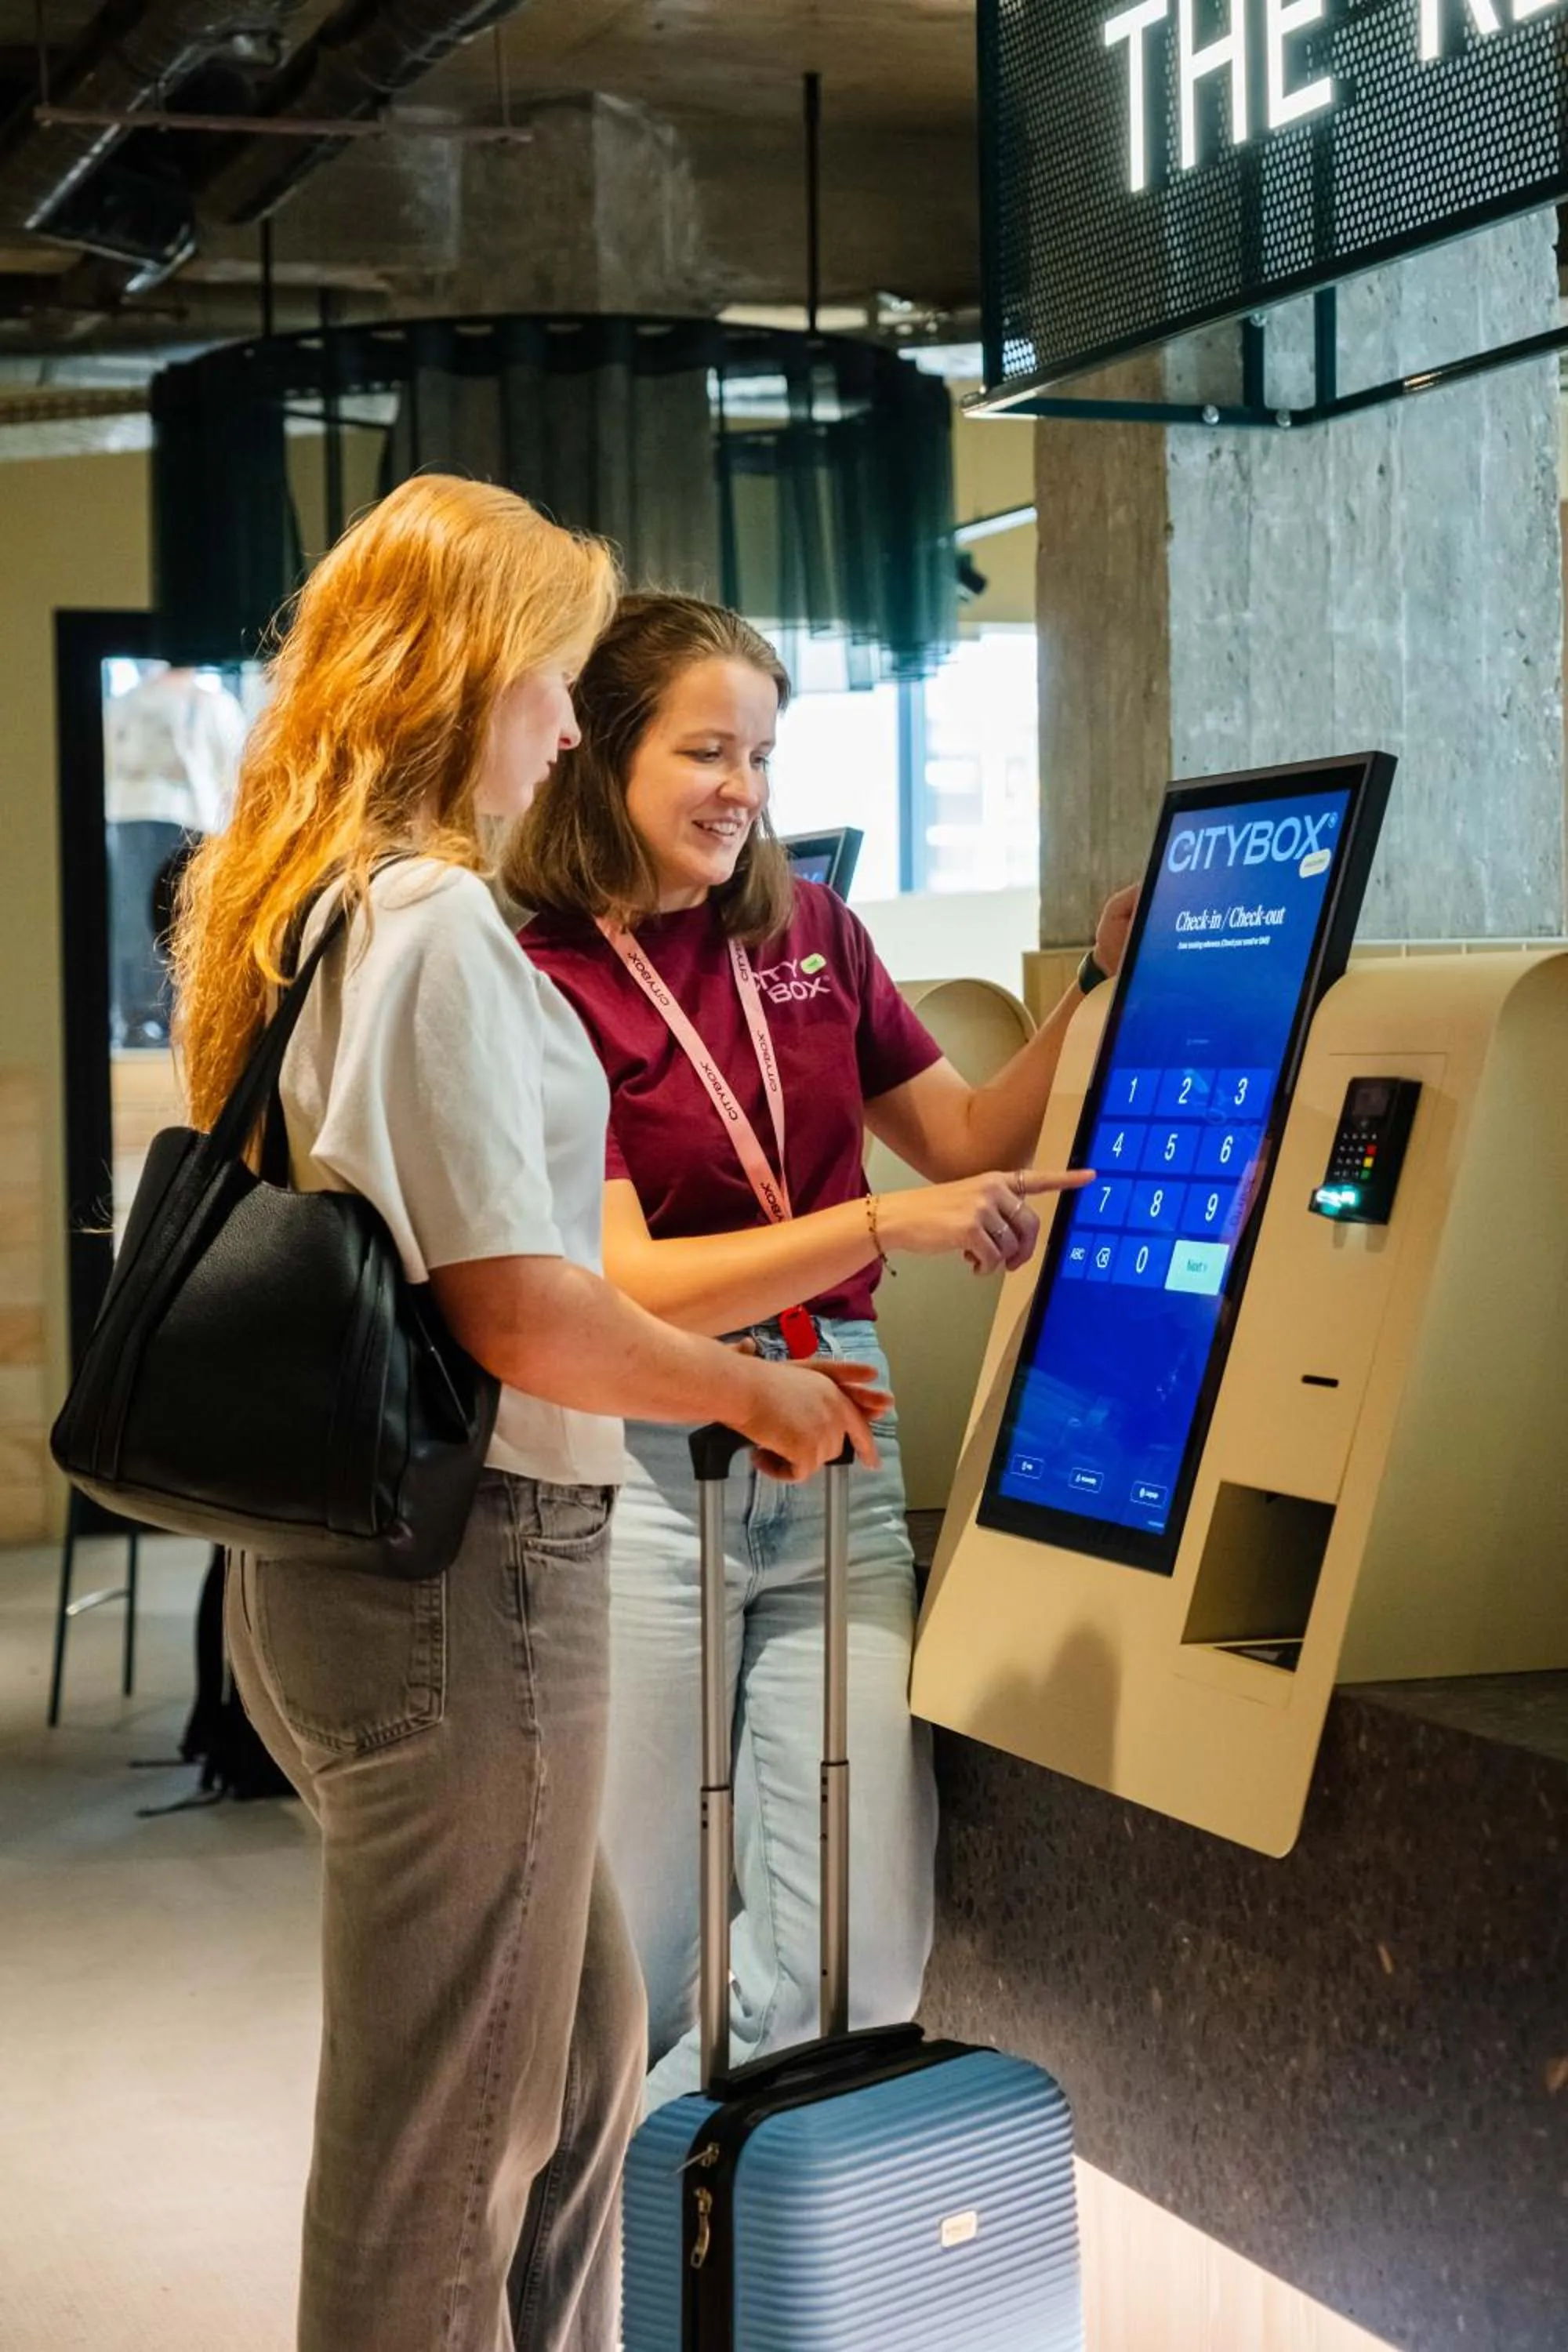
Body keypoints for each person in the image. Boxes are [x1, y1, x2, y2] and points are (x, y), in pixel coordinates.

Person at [172, 489, 885, 2352]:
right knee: (447, 2145)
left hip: (347, 1574)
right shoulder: (438, 931)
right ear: (464, 678)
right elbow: (521, 1304)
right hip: (467, 1583)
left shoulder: (305, 907)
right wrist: (756, 1386)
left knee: (567, 2072)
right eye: (558, 682)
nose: (568, 730)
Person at [510, 593, 1134, 2108]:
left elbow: (972, 1134)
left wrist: (1101, 987)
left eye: (763, 755)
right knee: (631, 1939)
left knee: (860, 1936)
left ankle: (746, 2254)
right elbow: (630, 1284)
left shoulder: (812, 934)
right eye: (706, 749)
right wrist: (880, 1231)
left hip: (844, 1445)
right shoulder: (542, 973)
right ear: (601, 755)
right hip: (654, 1474)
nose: (743, 788)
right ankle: (604, 2275)